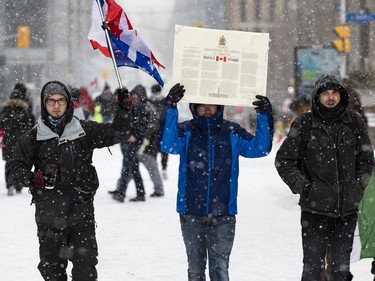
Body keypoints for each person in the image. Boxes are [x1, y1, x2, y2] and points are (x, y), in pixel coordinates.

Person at [6, 80, 132, 281]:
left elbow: (117, 134)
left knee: (86, 272)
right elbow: (13, 171)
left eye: (61, 101)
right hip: (49, 217)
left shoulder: (84, 130)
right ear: (44, 105)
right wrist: (35, 178)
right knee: (52, 273)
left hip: (81, 215)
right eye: (51, 101)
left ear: (68, 103)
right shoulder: (33, 137)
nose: (56, 106)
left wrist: (123, 111)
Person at [159, 83, 274, 280]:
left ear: (220, 107)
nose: (207, 111)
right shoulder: (186, 131)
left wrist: (264, 115)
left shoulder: (232, 132)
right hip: (191, 213)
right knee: (195, 271)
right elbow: (168, 144)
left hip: (223, 215)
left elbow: (260, 148)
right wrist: (169, 107)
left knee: (220, 271)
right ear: (194, 108)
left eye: (211, 106)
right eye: (201, 106)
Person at [274, 74, 374, 281]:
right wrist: (305, 187)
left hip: (346, 212)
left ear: (341, 96)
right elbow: (284, 161)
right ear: (317, 97)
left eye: (334, 93)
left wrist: (358, 186)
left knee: (340, 271)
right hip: (314, 211)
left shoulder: (354, 122)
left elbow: (366, 160)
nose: (330, 98)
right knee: (312, 269)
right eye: (325, 94)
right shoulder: (304, 124)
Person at [110, 85, 148, 202]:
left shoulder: (135, 106)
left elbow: (138, 123)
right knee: (133, 165)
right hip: (130, 139)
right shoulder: (137, 106)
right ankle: (139, 192)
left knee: (127, 165)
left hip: (130, 140)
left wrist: (134, 135)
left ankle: (121, 192)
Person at [0, 85, 35, 195]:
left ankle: (9, 185)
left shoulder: (4, 110)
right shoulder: (24, 110)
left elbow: (1, 124)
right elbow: (31, 125)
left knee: (9, 163)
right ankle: (18, 185)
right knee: (20, 163)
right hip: (21, 141)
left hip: (8, 141)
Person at [149, 83, 169, 179]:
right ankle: (164, 169)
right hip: (164, 130)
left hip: (152, 131)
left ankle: (154, 170)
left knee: (153, 152)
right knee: (164, 152)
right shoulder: (165, 101)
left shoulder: (149, 101)